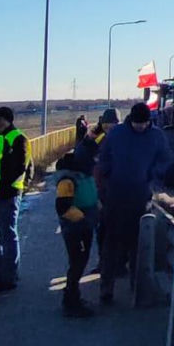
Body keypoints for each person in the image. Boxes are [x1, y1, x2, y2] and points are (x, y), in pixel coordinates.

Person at [97, 102, 171, 303]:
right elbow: (104, 157)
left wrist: (152, 175)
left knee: (137, 244)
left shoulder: (156, 136)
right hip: (116, 194)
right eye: (138, 124)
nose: (141, 127)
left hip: (140, 195)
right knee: (111, 243)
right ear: (131, 120)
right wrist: (108, 176)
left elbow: (165, 159)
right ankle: (106, 289)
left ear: (149, 122)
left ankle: (137, 287)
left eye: (144, 123)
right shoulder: (117, 134)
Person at [52, 152, 98, 317]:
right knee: (77, 262)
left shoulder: (83, 176)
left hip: (84, 226)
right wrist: (84, 220)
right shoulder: (68, 180)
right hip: (75, 228)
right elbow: (63, 207)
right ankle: (71, 301)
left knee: (81, 260)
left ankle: (73, 295)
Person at [74, 108, 119, 272]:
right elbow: (80, 155)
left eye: (112, 124)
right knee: (102, 231)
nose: (109, 128)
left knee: (116, 231)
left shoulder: (124, 140)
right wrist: (89, 138)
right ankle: (104, 264)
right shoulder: (98, 140)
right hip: (100, 193)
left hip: (118, 192)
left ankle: (117, 265)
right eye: (106, 124)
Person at [0, 106, 32, 292]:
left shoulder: (18, 138)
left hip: (8, 195)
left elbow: (21, 168)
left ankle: (9, 276)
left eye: (1, 119)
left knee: (8, 235)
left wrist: (8, 187)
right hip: (1, 193)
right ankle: (1, 272)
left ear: (8, 120)